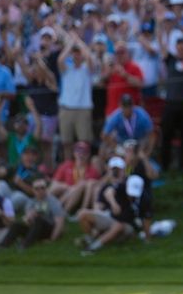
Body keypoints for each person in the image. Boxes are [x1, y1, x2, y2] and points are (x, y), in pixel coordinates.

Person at [78, 172, 152, 254]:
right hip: (111, 217)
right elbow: (108, 192)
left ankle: (93, 247)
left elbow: (146, 219)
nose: (132, 195)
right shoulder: (121, 186)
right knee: (83, 214)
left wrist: (147, 239)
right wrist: (114, 204)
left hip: (128, 225)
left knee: (118, 225)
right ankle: (91, 238)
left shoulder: (145, 199)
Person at [159, 36, 183, 170]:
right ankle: (165, 165)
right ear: (176, 46)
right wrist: (159, 24)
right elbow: (161, 44)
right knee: (166, 135)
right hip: (171, 103)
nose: (182, 47)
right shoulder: (170, 59)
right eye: (179, 44)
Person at [57, 31, 95, 159]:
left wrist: (79, 42)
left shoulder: (87, 70)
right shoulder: (66, 69)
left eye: (79, 52)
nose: (77, 55)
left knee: (84, 142)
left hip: (83, 109)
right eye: (75, 52)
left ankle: (84, 169)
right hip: (66, 109)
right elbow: (60, 60)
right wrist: (71, 44)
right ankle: (68, 168)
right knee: (66, 142)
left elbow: (90, 58)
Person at [0, 178, 65, 249]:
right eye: (37, 188)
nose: (40, 191)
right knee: (16, 225)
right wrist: (29, 217)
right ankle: (3, 246)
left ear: (46, 189)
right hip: (35, 229)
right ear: (33, 190)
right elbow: (27, 222)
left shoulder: (53, 201)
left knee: (39, 220)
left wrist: (52, 239)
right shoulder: (31, 202)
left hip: (50, 230)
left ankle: (24, 245)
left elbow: (60, 222)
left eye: (42, 188)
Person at [50, 141, 102, 213]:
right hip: (66, 193)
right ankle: (46, 204)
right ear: (74, 152)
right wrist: (67, 187)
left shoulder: (92, 170)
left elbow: (94, 187)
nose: (81, 154)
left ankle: (63, 212)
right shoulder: (66, 165)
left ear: (88, 154)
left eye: (84, 151)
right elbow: (54, 184)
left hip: (81, 197)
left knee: (82, 185)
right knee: (58, 187)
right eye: (78, 150)